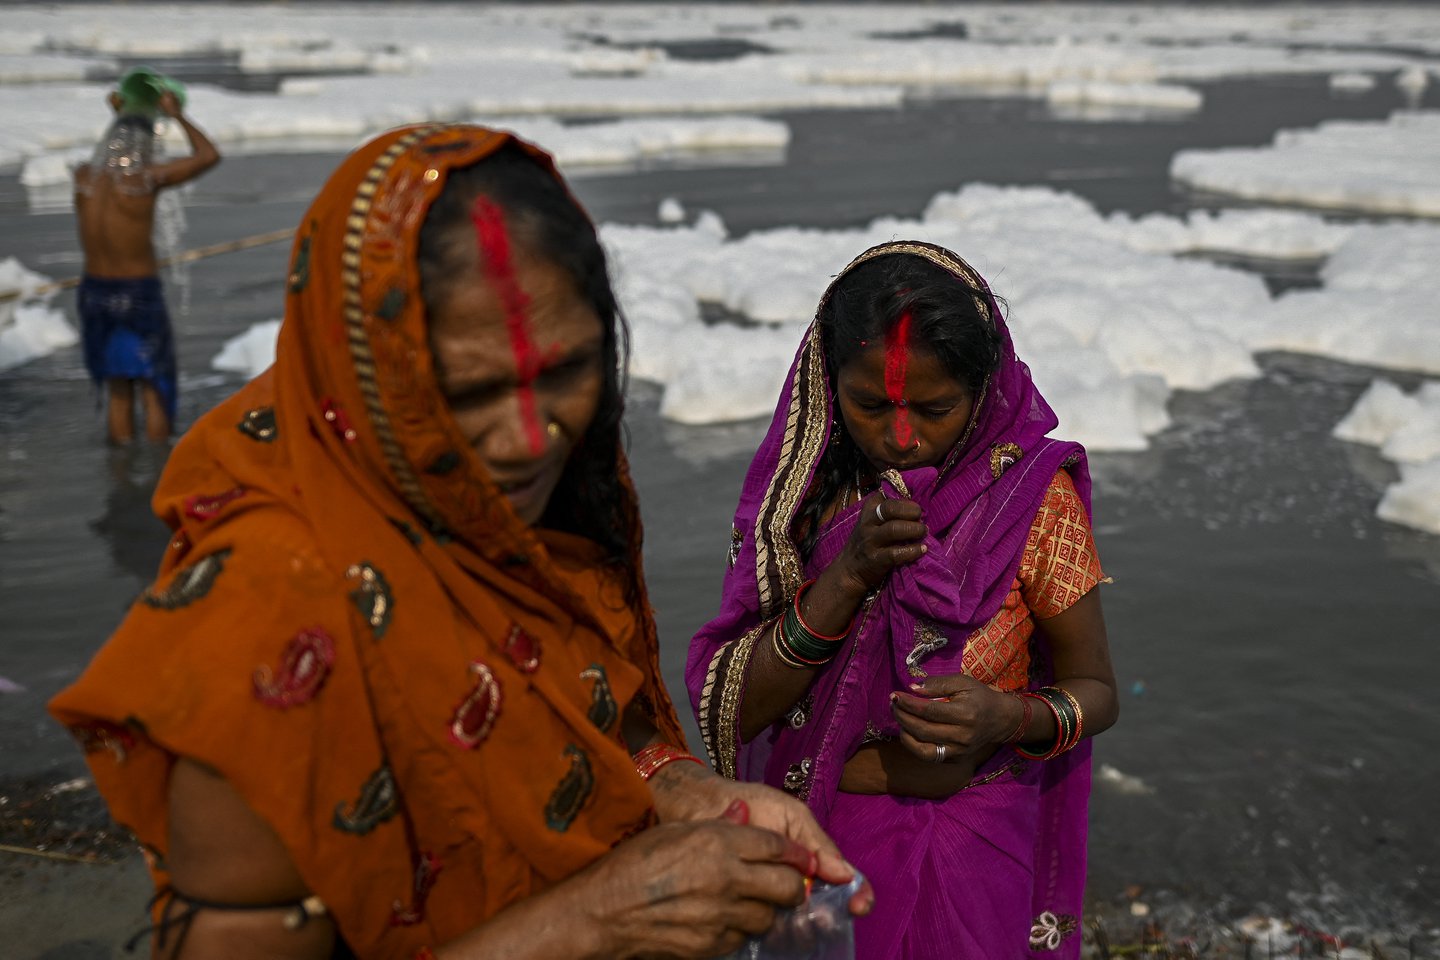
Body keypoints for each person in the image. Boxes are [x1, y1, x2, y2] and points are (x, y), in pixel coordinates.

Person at [49, 125, 870, 958]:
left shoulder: (514, 504)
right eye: (467, 390)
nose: (527, 436)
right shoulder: (266, 619)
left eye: (566, 372)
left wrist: (686, 789)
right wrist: (595, 919)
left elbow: (590, 720)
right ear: (365, 372)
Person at [686, 241, 1120, 959]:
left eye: (936, 407)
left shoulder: (1036, 498)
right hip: (821, 843)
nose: (902, 436)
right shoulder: (801, 507)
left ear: (983, 390)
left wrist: (1006, 716)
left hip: (974, 843)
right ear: (830, 387)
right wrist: (848, 577)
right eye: (869, 406)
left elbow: (1097, 690)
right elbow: (731, 707)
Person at [74, 87, 220, 444]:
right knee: (154, 385)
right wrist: (177, 116)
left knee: (118, 390)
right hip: (136, 294)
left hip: (94, 294)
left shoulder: (84, 179)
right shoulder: (145, 179)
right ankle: (158, 472)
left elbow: (117, 151)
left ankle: (121, 475)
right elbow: (208, 155)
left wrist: (122, 117)